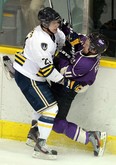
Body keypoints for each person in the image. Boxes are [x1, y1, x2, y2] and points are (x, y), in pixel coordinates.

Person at [26, 22, 109, 157]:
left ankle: (92, 137)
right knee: (44, 106)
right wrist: (66, 28)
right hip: (62, 84)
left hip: (67, 90)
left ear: (93, 50)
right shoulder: (88, 47)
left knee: (57, 122)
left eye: (88, 44)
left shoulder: (85, 64)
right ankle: (35, 132)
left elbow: (64, 71)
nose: (84, 43)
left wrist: (63, 55)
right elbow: (77, 37)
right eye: (87, 40)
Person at [13, 7, 80, 160]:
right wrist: (65, 81)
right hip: (28, 77)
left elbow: (63, 42)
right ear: (44, 24)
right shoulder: (39, 41)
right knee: (51, 109)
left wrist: (73, 39)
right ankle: (40, 146)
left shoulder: (54, 32)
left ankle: (33, 135)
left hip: (34, 75)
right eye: (53, 23)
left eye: (57, 21)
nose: (57, 25)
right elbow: (48, 70)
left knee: (45, 106)